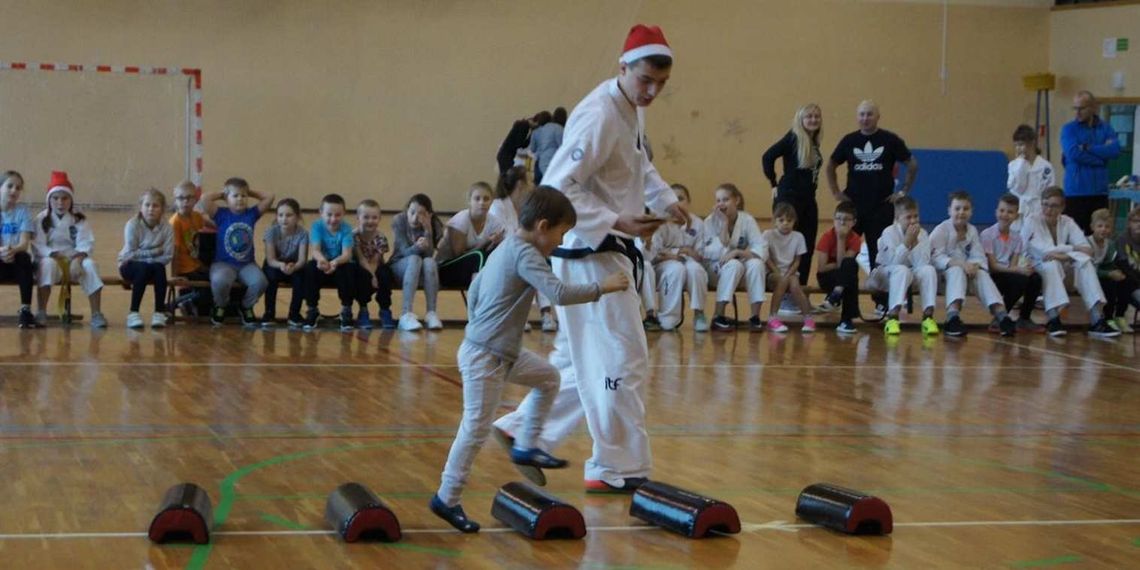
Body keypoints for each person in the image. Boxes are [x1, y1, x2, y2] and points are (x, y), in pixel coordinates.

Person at [492, 24, 687, 493]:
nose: (653, 91)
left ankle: (524, 429)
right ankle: (614, 466)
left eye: (661, 84)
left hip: (597, 252)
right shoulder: (601, 113)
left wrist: (664, 199)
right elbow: (558, 185)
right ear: (623, 68)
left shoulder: (629, 109)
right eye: (646, 80)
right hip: (591, 254)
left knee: (586, 362)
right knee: (623, 358)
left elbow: (640, 164)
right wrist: (617, 219)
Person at [430, 187, 629, 533]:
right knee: (474, 429)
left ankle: (525, 446)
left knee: (549, 378)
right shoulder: (527, 254)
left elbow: (475, 292)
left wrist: (484, 326)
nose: (560, 241)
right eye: (561, 233)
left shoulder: (506, 245)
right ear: (542, 226)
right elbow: (559, 293)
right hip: (486, 357)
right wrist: (604, 286)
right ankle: (446, 499)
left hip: (499, 351)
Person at [826, 100, 917, 315]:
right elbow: (830, 165)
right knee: (846, 253)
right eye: (861, 114)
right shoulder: (850, 140)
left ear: (878, 116)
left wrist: (903, 191)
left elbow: (912, 164)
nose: (865, 118)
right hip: (854, 208)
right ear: (857, 117)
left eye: (869, 114)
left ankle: (881, 300)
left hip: (881, 208)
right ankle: (840, 296)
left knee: (879, 256)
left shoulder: (890, 139)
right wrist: (836, 193)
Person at [1020, 186, 1118, 337]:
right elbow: (1044, 251)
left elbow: (1087, 250)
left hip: (1062, 265)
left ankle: (1097, 319)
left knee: (1084, 261)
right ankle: (1054, 318)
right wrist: (1071, 248)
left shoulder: (1067, 222)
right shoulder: (1031, 220)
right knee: (1051, 263)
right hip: (1036, 266)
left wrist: (1064, 255)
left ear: (1062, 207)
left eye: (1053, 205)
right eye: (1045, 204)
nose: (1048, 209)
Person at [928, 191, 1015, 337]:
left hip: (967, 273)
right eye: (957, 208)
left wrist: (975, 266)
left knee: (981, 273)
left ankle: (1002, 316)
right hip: (943, 277)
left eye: (966, 209)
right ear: (949, 210)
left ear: (971, 211)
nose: (961, 212)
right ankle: (952, 318)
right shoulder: (941, 230)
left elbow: (978, 255)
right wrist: (961, 264)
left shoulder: (972, 231)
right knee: (956, 270)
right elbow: (935, 257)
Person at [32, 171, 105, 328]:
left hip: (74, 263)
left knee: (90, 266)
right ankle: (41, 311)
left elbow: (85, 242)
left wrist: (77, 260)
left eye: (64, 198)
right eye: (55, 198)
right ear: (49, 199)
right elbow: (39, 245)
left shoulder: (78, 219)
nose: (60, 202)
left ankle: (96, 314)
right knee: (46, 265)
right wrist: (56, 255)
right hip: (53, 261)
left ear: (71, 200)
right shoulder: (41, 219)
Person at [490, 166, 558, 332]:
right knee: (529, 263)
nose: (533, 185)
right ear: (520, 185)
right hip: (501, 258)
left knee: (537, 262)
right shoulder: (498, 206)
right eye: (530, 181)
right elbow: (504, 237)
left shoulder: (527, 209)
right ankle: (519, 316)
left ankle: (546, 314)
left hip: (522, 254)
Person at [763, 103, 823, 285]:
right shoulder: (794, 137)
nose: (813, 119)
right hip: (790, 198)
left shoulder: (812, 141)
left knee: (807, 245)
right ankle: (784, 289)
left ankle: (800, 290)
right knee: (788, 246)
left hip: (808, 199)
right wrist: (773, 183)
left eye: (816, 116)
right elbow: (768, 156)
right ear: (801, 119)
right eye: (809, 116)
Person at [201, 178, 273, 327]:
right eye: (235, 196)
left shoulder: (251, 214)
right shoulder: (220, 214)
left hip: (247, 264)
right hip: (223, 263)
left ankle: (246, 306)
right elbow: (204, 199)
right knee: (219, 281)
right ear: (227, 198)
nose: (240, 199)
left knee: (260, 282)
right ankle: (221, 305)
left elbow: (269, 197)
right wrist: (223, 193)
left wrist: (249, 191)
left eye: (243, 196)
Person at [868, 196, 939, 336]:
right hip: (883, 275)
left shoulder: (922, 233)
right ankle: (893, 318)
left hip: (909, 275)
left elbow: (922, 263)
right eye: (908, 217)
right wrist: (906, 243)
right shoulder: (889, 232)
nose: (913, 221)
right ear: (898, 217)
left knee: (929, 270)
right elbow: (893, 263)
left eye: (916, 216)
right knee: (901, 270)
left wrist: (915, 242)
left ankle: (928, 317)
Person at [703, 183, 767, 331]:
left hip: (738, 269)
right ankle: (718, 316)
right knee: (734, 265)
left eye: (725, 199)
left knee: (757, 264)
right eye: (718, 200)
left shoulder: (747, 220)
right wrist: (724, 223)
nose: (721, 204)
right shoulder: (710, 222)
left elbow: (761, 248)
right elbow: (714, 251)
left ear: (736, 200)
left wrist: (738, 252)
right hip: (714, 270)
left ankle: (755, 317)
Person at [649, 183, 709, 331]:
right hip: (664, 263)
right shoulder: (660, 220)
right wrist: (674, 254)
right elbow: (654, 254)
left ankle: (699, 313)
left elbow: (701, 254)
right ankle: (669, 317)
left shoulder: (697, 223)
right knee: (676, 269)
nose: (677, 202)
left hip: (688, 261)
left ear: (688, 202)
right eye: (672, 198)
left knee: (696, 269)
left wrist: (691, 253)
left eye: (681, 198)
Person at [980, 193, 1044, 332]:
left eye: (1010, 212)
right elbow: (993, 267)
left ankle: (1024, 319)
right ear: (996, 212)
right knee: (1019, 280)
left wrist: (1024, 269)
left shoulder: (1017, 238)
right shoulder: (987, 234)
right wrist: (1018, 270)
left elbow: (1013, 265)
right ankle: (999, 317)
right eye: (1002, 210)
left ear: (1016, 215)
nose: (1005, 215)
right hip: (991, 277)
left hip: (1008, 273)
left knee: (1035, 278)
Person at [1060, 91, 1121, 233]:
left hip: (1099, 192)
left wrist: (1089, 148)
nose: (1077, 112)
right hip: (1076, 193)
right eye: (1075, 108)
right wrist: (1101, 160)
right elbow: (1074, 154)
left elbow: (1115, 150)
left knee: (1100, 235)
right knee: (1075, 236)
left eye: (1081, 108)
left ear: (1093, 107)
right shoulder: (1069, 129)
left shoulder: (1106, 128)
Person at [117, 188, 173, 329]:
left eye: (155, 206)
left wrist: (149, 257)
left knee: (160, 269)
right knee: (142, 268)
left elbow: (167, 255)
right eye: (147, 205)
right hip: (128, 264)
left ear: (162, 209)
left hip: (154, 266)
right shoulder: (132, 225)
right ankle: (133, 313)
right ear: (141, 207)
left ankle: (159, 312)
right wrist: (155, 252)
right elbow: (131, 253)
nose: (151, 209)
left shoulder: (167, 228)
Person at [302, 194, 357, 331]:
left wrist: (335, 262)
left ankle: (346, 310)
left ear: (344, 214)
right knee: (309, 268)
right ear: (321, 213)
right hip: (323, 264)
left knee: (350, 269)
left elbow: (346, 254)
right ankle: (312, 309)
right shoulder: (316, 227)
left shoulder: (346, 229)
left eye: (338, 215)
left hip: (339, 265)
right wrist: (322, 261)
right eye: (329, 214)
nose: (333, 219)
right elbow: (315, 250)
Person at [389, 193, 444, 331]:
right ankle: (406, 313)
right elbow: (403, 252)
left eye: (420, 214)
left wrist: (428, 231)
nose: (414, 218)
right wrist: (416, 247)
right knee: (414, 258)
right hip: (399, 266)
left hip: (419, 270)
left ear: (429, 215)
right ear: (407, 210)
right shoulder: (399, 221)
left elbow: (429, 254)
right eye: (412, 212)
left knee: (430, 262)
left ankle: (431, 313)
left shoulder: (434, 224)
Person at [437, 182, 506, 289]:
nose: (482, 203)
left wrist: (494, 244)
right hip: (447, 268)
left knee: (496, 255)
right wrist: (485, 242)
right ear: (469, 201)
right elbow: (459, 255)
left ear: (492, 201)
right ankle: (478, 295)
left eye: (486, 199)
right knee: (479, 256)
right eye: (477, 199)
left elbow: (490, 251)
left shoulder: (494, 222)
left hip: (473, 267)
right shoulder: (462, 220)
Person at [762, 202, 815, 333]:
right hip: (772, 273)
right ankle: (773, 317)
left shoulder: (798, 237)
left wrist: (788, 273)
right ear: (775, 221)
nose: (785, 223)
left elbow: (797, 261)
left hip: (790, 273)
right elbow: (766, 258)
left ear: (794, 222)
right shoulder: (767, 235)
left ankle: (808, 318)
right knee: (783, 280)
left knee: (795, 285)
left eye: (789, 220)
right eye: (781, 220)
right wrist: (777, 272)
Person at [814, 201, 862, 334]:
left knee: (850, 268)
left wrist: (841, 239)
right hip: (827, 278)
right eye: (838, 219)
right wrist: (840, 239)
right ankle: (846, 320)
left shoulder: (856, 239)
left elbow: (844, 264)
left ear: (854, 222)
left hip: (842, 279)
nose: (842, 223)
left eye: (846, 220)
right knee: (850, 272)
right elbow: (822, 268)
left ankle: (835, 296)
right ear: (834, 219)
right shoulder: (827, 237)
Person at [169, 180, 215, 317]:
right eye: (181, 198)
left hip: (196, 264)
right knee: (206, 289)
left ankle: (191, 302)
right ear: (175, 199)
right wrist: (175, 276)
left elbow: (213, 224)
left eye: (189, 198)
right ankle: (178, 302)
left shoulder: (196, 216)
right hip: (184, 268)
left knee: (218, 280)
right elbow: (174, 252)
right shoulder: (175, 222)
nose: (185, 202)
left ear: (195, 199)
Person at [262, 198, 308, 328]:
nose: (284, 219)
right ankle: (269, 312)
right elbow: (270, 259)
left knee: (300, 278)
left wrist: (294, 267)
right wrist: (281, 265)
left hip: (293, 265)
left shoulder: (303, 234)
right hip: (275, 264)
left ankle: (294, 314)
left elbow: (302, 260)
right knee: (270, 278)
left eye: (289, 215)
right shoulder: (271, 232)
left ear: (297, 217)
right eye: (280, 215)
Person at [0, 171, 37, 328]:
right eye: (10, 186)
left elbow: (24, 243)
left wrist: (10, 251)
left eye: (18, 188)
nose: (14, 191)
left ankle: (25, 310)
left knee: (24, 257)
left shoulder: (23, 212)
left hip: (15, 261)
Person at [352, 199, 397, 330]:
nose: (370, 221)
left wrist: (375, 276)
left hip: (376, 266)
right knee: (361, 275)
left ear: (379, 219)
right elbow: (361, 259)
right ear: (358, 218)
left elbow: (375, 260)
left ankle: (385, 310)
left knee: (385, 274)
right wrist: (372, 276)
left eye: (374, 217)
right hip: (360, 266)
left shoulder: (381, 238)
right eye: (366, 217)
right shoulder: (354, 236)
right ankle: (363, 310)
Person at [1089, 208, 1132, 333]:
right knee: (1109, 284)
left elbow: (1111, 263)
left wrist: (1118, 273)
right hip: (1090, 277)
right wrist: (1109, 274)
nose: (1103, 229)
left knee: (1126, 282)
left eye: (1107, 226)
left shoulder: (1111, 244)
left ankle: (1119, 316)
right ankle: (1107, 317)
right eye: (1100, 226)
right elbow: (1090, 270)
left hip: (1105, 274)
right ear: (1092, 227)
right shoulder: (1087, 243)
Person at [1007, 124, 1054, 230]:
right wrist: (1021, 166)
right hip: (1020, 210)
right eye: (1016, 145)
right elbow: (1017, 189)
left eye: (1021, 144)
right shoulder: (1013, 165)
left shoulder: (1046, 166)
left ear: (1032, 143)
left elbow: (1049, 192)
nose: (1019, 149)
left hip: (1039, 210)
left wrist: (1046, 210)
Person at [1115, 207, 1140, 330]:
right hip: (1130, 281)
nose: (1139, 224)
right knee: (1124, 279)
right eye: (1136, 221)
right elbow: (1123, 265)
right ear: (1129, 223)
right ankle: (1119, 316)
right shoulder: (1122, 239)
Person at [529, 110, 564, 184]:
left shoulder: (536, 131)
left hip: (541, 162)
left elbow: (531, 149)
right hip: (555, 160)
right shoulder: (558, 128)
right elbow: (562, 146)